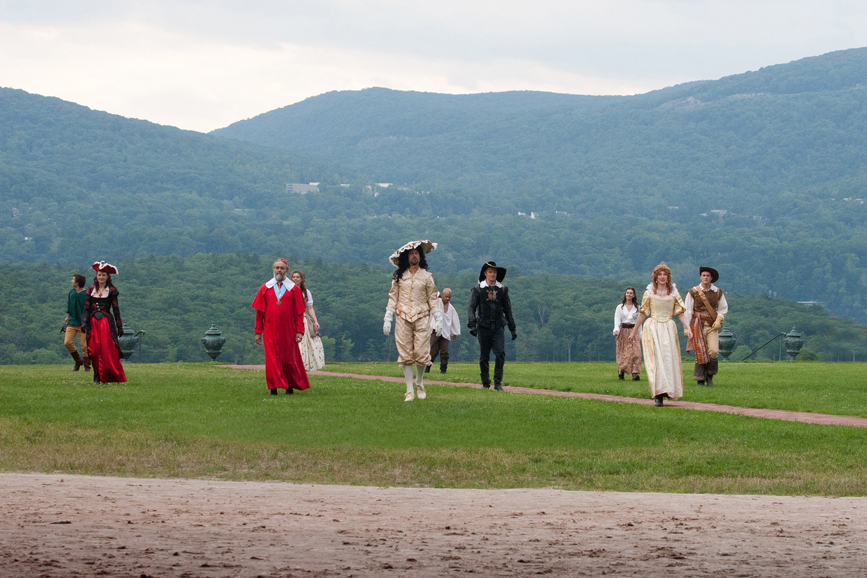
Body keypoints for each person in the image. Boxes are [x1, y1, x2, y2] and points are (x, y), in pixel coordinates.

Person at [383, 240, 441, 402]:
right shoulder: (399, 277)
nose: (414, 256)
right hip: (402, 315)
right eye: (411, 253)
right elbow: (393, 297)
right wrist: (388, 317)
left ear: (420, 256)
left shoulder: (427, 277)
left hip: (422, 315)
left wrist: (438, 316)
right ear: (406, 257)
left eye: (416, 253)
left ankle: (420, 382)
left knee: (422, 352)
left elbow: (432, 298)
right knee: (405, 353)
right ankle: (409, 390)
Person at [632, 263, 692, 406]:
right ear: (656, 277)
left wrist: (688, 327)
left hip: (669, 328)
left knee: (668, 359)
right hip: (653, 327)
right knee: (656, 360)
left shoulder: (674, 293)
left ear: (668, 277)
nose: (663, 277)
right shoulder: (649, 293)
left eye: (665, 274)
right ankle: (658, 393)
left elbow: (681, 313)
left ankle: (668, 390)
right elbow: (642, 313)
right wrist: (634, 331)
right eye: (660, 274)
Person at [252, 259, 311, 395]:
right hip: (269, 330)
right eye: (277, 268)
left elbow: (299, 313)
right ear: (273, 269)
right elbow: (259, 312)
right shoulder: (265, 288)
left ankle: (289, 386)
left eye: (282, 268)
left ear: (287, 271)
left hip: (288, 330)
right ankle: (273, 388)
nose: (279, 270)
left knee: (288, 358)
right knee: (272, 359)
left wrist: (299, 331)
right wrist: (257, 332)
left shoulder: (294, 289)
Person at [467, 261, 516, 391]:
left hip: (499, 325)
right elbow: (471, 308)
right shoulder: (478, 290)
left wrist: (512, 328)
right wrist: (472, 325)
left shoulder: (503, 290)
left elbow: (508, 310)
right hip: (483, 326)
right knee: (484, 356)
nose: (493, 274)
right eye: (490, 272)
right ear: (485, 273)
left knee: (500, 353)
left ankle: (498, 382)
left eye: (494, 272)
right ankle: (485, 382)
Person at [82, 261, 126, 384]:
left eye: (104, 275)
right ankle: (97, 376)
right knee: (94, 349)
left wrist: (119, 326)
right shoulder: (90, 290)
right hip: (93, 323)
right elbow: (86, 308)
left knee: (107, 349)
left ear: (107, 277)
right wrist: (84, 322)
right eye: (99, 275)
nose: (101, 277)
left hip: (106, 323)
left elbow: (116, 309)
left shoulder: (112, 291)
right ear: (96, 276)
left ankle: (111, 375)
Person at [685, 266, 729, 386]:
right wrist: (686, 327)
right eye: (703, 275)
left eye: (708, 276)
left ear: (711, 278)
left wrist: (719, 320)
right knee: (700, 352)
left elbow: (723, 308)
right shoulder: (693, 292)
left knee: (713, 351)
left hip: (711, 325)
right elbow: (688, 311)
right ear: (700, 277)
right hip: (697, 325)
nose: (705, 277)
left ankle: (710, 376)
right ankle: (700, 379)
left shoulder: (718, 292)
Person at [291, 270, 326, 372]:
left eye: (297, 277)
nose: (295, 279)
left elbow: (310, 308)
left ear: (301, 279)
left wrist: (315, 321)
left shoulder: (306, 292)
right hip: (290, 319)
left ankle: (303, 364)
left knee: (304, 342)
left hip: (302, 318)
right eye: (293, 277)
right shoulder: (287, 290)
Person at [426, 288, 461, 374]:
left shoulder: (451, 308)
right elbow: (431, 297)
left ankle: (443, 369)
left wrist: (454, 333)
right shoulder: (437, 303)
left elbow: (454, 320)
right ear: (442, 295)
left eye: (449, 297)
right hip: (435, 330)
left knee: (445, 351)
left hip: (445, 332)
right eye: (446, 297)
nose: (447, 299)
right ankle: (427, 368)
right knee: (433, 351)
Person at [613, 287, 641, 381]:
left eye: (631, 293)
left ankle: (635, 373)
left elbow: (639, 322)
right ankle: (621, 372)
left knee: (636, 353)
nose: (629, 294)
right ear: (625, 294)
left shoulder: (637, 308)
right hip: (623, 331)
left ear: (633, 295)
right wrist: (616, 329)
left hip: (634, 331)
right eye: (627, 293)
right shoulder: (620, 307)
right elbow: (617, 320)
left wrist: (640, 334)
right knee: (623, 353)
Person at [64, 273, 90, 372]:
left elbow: (88, 309)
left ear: (77, 282)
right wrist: (68, 317)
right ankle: (78, 360)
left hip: (83, 323)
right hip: (72, 322)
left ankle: (87, 366)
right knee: (67, 342)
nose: (71, 281)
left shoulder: (86, 294)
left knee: (85, 346)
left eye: (73, 279)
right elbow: (70, 307)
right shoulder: (71, 293)